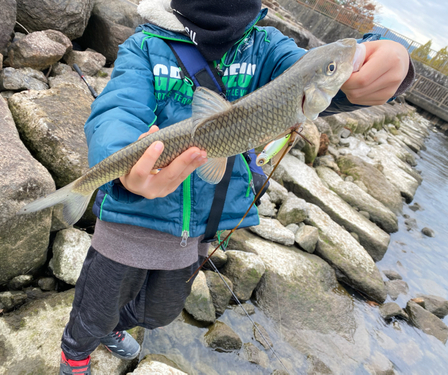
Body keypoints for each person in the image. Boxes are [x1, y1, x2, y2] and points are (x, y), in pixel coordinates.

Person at [59, 0, 413, 374]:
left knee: (158, 311)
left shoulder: (269, 48)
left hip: (198, 229)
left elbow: (334, 84)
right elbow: (119, 110)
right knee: (95, 307)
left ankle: (112, 328)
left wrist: (389, 58)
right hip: (129, 218)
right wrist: (121, 163)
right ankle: (75, 355)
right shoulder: (144, 45)